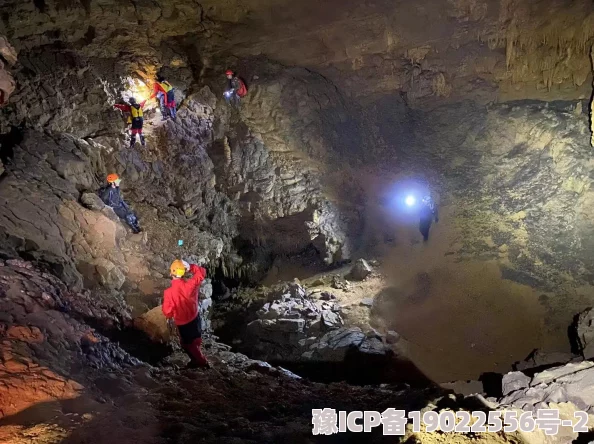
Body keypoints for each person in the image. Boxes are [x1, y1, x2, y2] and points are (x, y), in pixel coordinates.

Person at [162, 259, 210, 368]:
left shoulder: (169, 293)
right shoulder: (191, 285)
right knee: (196, 340)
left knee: (187, 344)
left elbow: (167, 312)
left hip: (183, 324)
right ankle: (196, 359)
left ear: (171, 272)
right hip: (195, 317)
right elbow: (202, 272)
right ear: (184, 272)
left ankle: (201, 362)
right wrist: (191, 267)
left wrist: (172, 313)